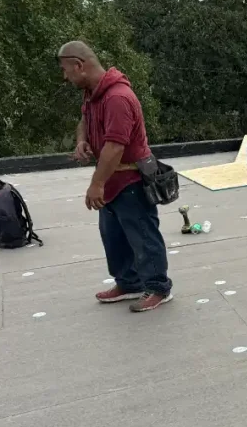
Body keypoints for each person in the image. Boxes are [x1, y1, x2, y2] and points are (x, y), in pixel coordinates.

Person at [58, 41, 173, 312]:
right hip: (111, 178)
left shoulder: (117, 97)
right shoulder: (92, 93)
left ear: (79, 65)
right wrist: (81, 141)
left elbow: (115, 146)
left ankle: (158, 287)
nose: (65, 77)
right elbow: (84, 120)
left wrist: (96, 184)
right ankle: (128, 283)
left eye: (66, 70)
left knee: (143, 234)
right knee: (114, 236)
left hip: (130, 178)